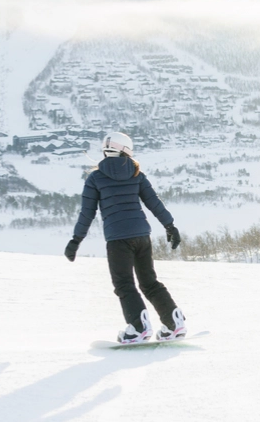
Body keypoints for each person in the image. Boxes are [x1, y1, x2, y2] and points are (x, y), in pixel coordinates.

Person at [64, 131, 187, 344]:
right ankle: (173, 322)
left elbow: (87, 213)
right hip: (142, 236)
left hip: (118, 239)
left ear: (105, 149)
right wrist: (170, 226)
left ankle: (139, 327)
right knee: (149, 282)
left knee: (124, 284)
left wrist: (76, 240)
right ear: (127, 150)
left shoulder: (95, 178)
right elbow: (154, 202)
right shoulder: (137, 174)